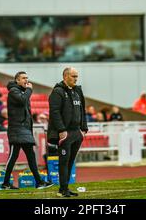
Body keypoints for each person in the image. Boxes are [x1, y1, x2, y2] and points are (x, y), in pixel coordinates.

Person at [1, 71, 52, 190]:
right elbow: (23, 100)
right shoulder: (14, 91)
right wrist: (29, 90)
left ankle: (39, 182)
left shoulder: (21, 91)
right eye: (23, 78)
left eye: (27, 78)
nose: (26, 80)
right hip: (16, 129)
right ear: (17, 80)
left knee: (31, 156)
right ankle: (5, 183)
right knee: (13, 156)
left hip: (24, 130)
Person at [48, 67, 88, 198]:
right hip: (65, 133)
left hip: (77, 132)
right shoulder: (57, 92)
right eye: (73, 76)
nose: (76, 79)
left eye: (77, 76)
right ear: (65, 76)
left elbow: (82, 110)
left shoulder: (77, 91)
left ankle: (65, 187)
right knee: (64, 161)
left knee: (71, 161)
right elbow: (54, 113)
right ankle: (62, 189)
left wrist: (84, 128)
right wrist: (61, 130)